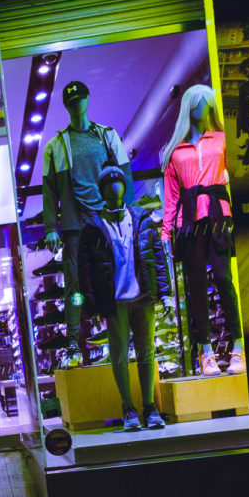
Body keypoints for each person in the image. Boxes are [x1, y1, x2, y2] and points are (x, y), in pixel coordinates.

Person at [42, 81, 134, 364]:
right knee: (75, 287)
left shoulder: (106, 136)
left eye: (80, 98)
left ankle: (122, 339)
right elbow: (49, 190)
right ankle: (73, 345)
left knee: (115, 278)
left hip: (107, 220)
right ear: (66, 106)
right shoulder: (56, 146)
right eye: (71, 101)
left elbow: (125, 175)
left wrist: (127, 214)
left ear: (87, 100)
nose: (76, 104)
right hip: (75, 224)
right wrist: (50, 228)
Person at [78, 164, 172, 431]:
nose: (114, 189)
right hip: (114, 300)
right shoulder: (92, 227)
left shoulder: (141, 218)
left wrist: (165, 293)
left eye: (118, 184)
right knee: (118, 355)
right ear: (102, 191)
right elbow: (85, 271)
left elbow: (158, 257)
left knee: (147, 352)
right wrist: (92, 304)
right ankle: (128, 408)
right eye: (108, 185)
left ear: (124, 188)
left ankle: (149, 407)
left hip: (143, 295)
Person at [161, 84, 245, 376]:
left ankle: (238, 346)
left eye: (206, 102)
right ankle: (206, 351)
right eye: (196, 103)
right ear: (188, 107)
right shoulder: (175, 151)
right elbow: (171, 197)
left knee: (223, 278)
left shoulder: (223, 140)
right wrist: (165, 233)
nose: (202, 108)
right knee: (195, 285)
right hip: (189, 222)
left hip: (219, 215)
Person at [234, 57, 249, 177]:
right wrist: (239, 132)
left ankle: (244, 164)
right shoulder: (244, 87)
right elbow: (240, 109)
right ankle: (245, 135)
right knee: (247, 103)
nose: (247, 69)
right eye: (245, 68)